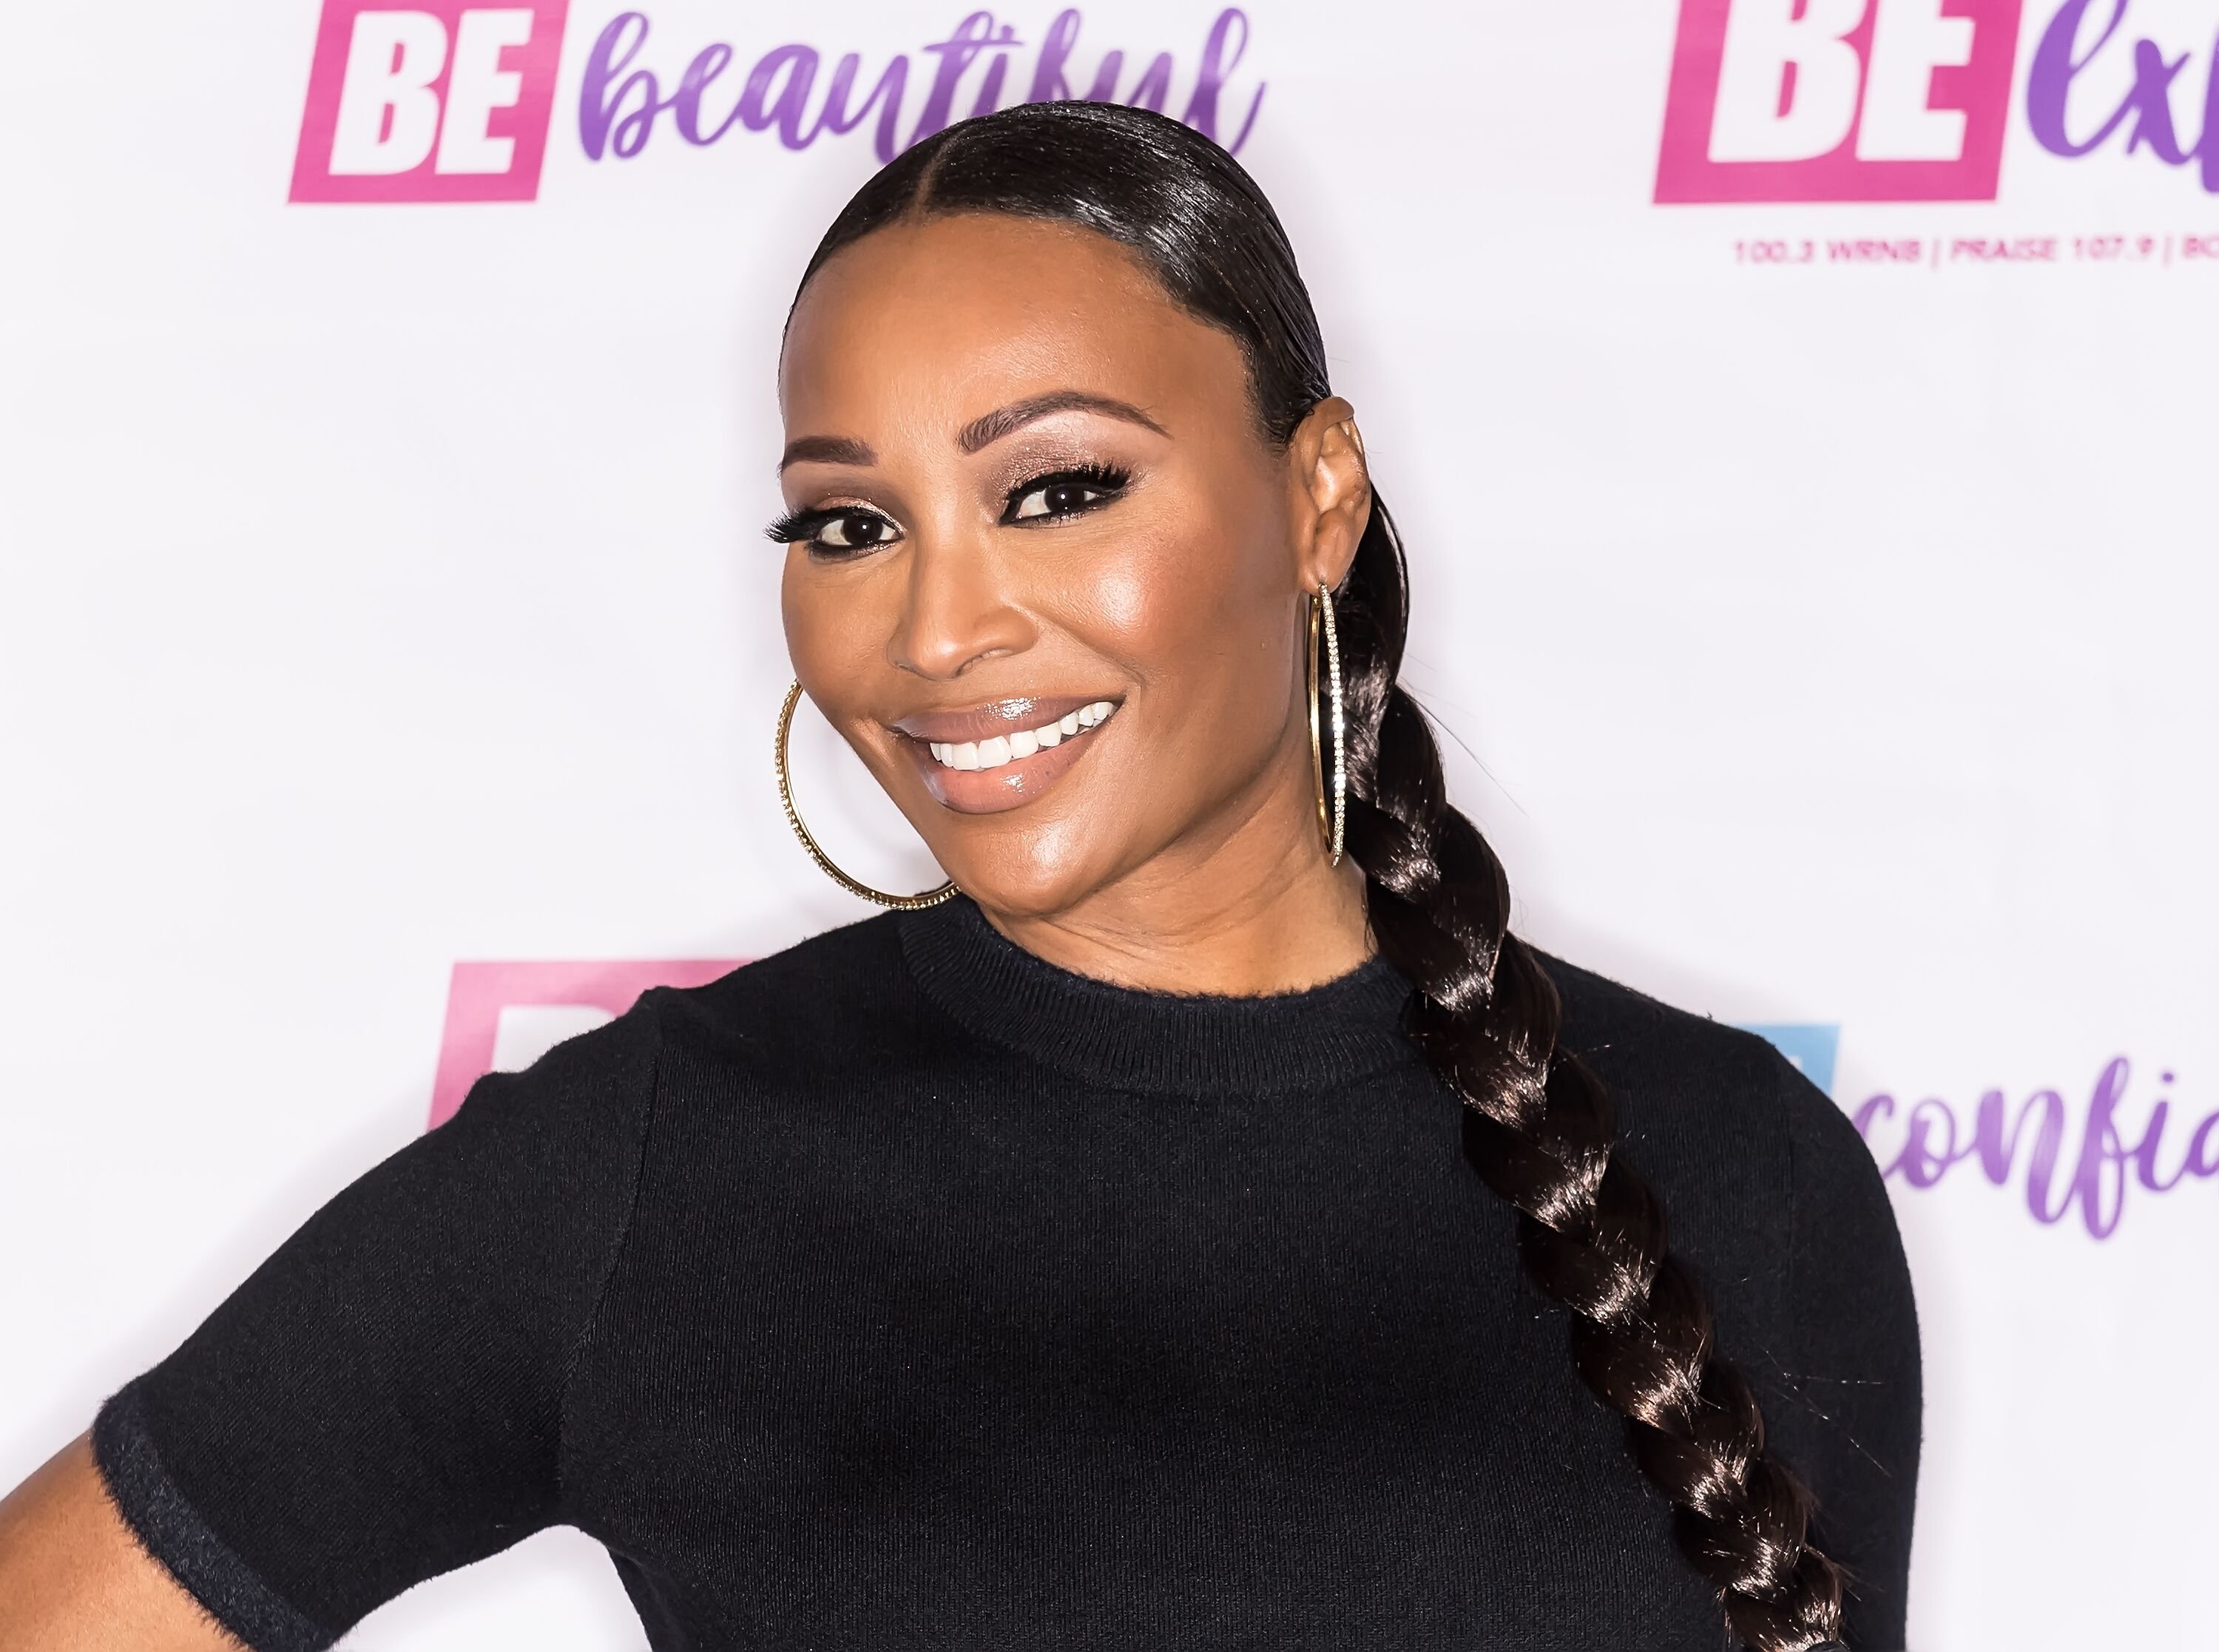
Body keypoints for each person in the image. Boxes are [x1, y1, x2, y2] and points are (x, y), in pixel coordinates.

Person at [0, 102, 1919, 1652]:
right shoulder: (665, 1163)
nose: (935, 627)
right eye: (851, 521)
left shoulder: (1731, 1164)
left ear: (1317, 494)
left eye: (1059, 489)